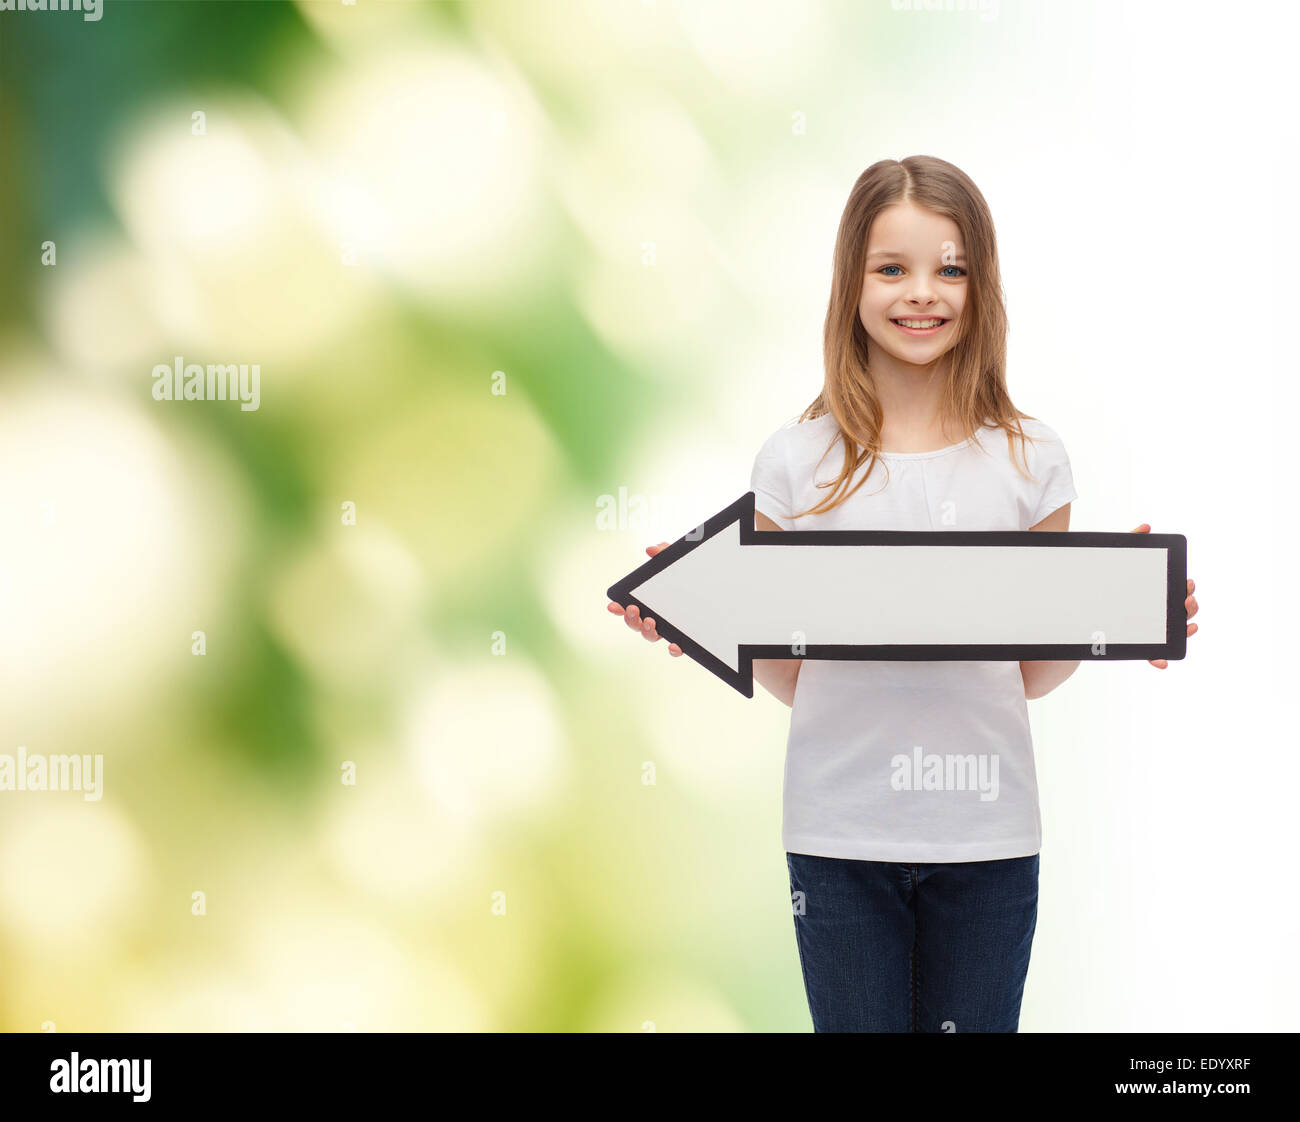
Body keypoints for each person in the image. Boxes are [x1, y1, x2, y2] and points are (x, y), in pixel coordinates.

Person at [607, 155, 1199, 1032]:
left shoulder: (1031, 459)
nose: (922, 293)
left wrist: (1114, 612)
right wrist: (698, 620)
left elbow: (1030, 672)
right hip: (838, 835)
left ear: (981, 284)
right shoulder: (794, 462)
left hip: (988, 835)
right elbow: (794, 671)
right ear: (852, 283)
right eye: (893, 268)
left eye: (950, 269)